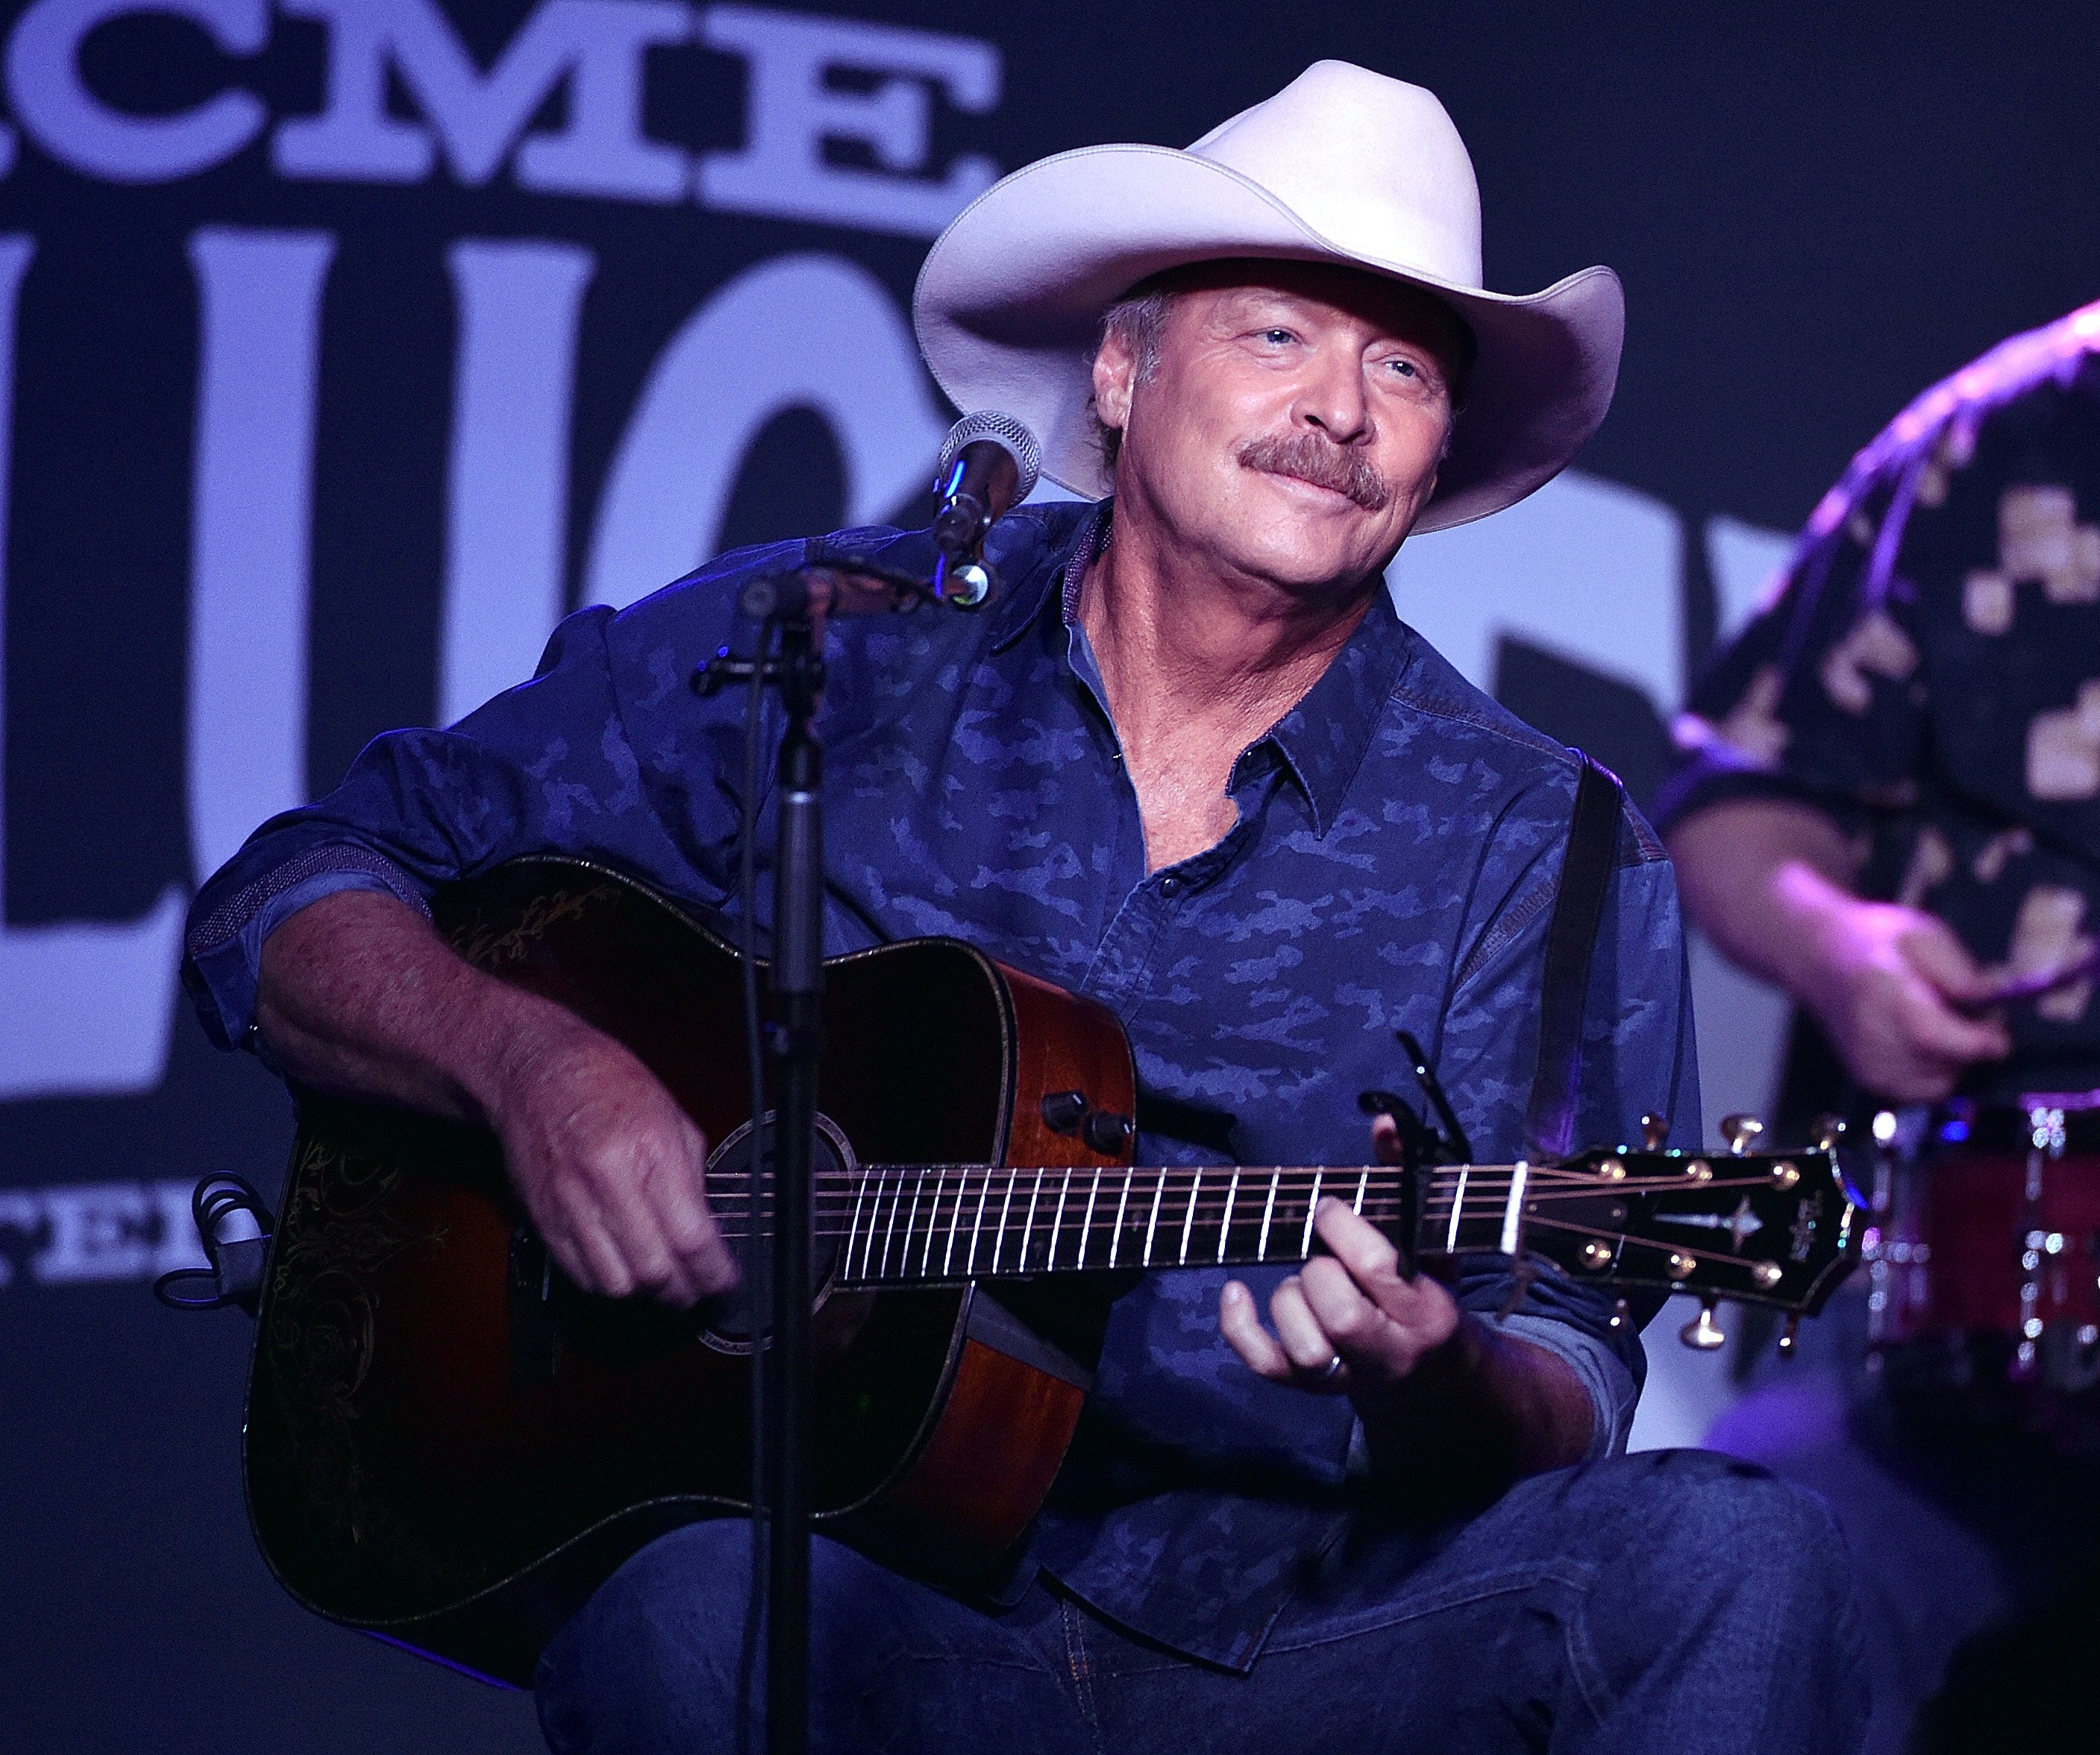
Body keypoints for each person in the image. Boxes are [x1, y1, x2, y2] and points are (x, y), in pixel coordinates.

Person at [185, 61, 1861, 1755]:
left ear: (1437, 452)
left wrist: (1440, 1381)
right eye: (1279, 334)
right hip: (868, 1603)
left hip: (1312, 1639)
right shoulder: (823, 646)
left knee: (1738, 1553)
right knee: (697, 1614)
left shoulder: (1546, 836)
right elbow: (296, 895)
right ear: (1123, 370)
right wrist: (533, 1071)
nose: (1342, 412)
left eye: (1404, 366)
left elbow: (1569, 1361)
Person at [1657, 12, 2100, 1752]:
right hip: (2003, 1295)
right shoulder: (1999, 448)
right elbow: (1737, 799)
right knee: (1725, 1583)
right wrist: (1842, 952)